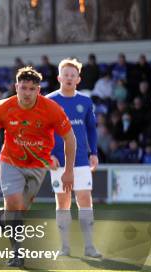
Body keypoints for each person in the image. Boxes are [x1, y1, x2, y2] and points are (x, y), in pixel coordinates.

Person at [0, 67, 76, 268]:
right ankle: (17, 253)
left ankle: (1, 217)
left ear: (38, 90)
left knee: (19, 210)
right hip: (10, 162)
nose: (27, 93)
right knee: (14, 204)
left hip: (38, 166)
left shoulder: (52, 109)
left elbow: (70, 138)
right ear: (16, 87)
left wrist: (68, 170)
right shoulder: (2, 107)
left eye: (32, 89)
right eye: (23, 88)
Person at [48, 58, 102, 258]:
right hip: (58, 162)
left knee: (84, 199)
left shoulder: (86, 101)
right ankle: (65, 247)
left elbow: (91, 129)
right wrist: (47, 155)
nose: (69, 78)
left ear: (78, 79)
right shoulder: (49, 101)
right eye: (66, 75)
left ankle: (89, 247)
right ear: (59, 77)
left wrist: (94, 153)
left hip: (80, 161)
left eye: (73, 75)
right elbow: (41, 131)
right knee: (62, 202)